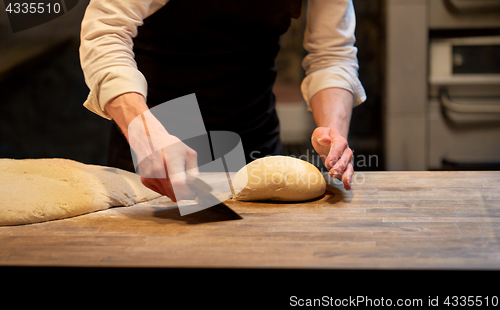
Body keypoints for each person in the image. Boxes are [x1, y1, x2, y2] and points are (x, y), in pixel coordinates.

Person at [79, 0, 366, 202]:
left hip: (254, 135)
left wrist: (332, 130)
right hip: (160, 136)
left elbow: (332, 54)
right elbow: (105, 33)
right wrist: (143, 130)